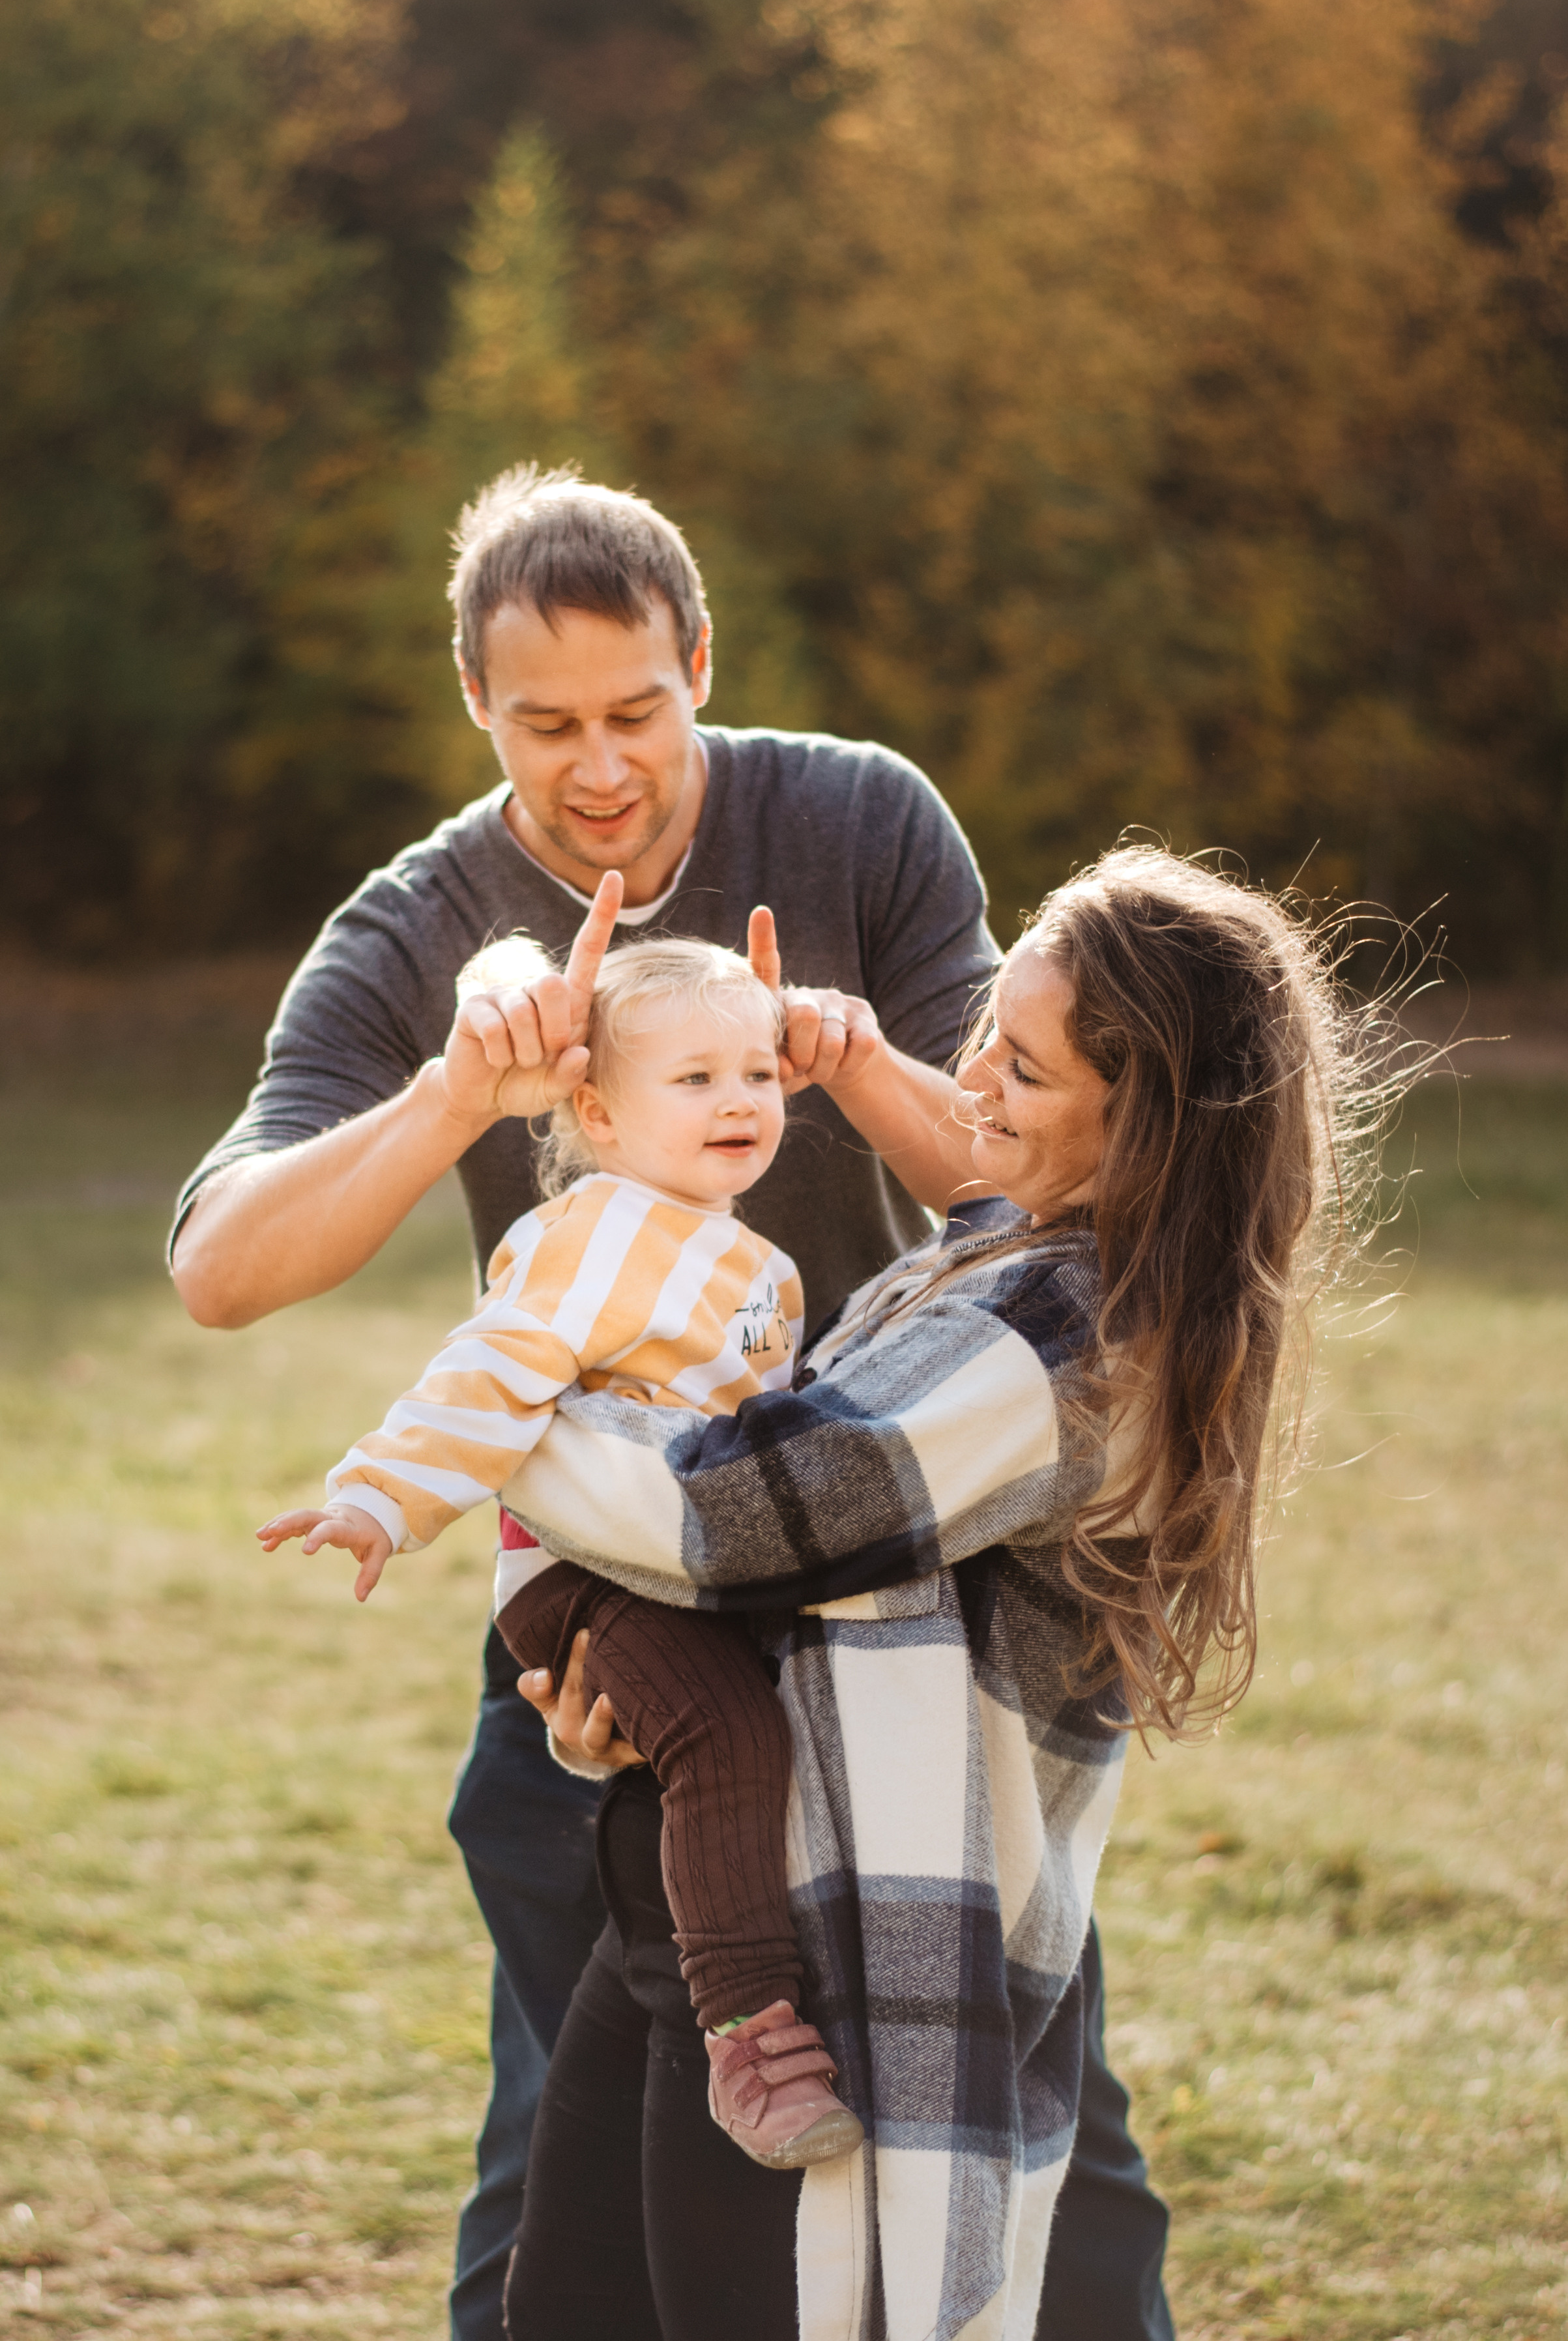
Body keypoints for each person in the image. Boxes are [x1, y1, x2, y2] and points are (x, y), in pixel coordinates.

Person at [169, 464, 1174, 2339]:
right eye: (545, 723)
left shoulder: (859, 817)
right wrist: (457, 1096)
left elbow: (1034, 1167)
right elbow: (220, 1267)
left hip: (888, 1589)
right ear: (474, 699)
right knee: (559, 2144)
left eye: (636, 710)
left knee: (1048, 2124)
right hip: (617, 1603)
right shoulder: (421, 918)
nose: (601, 765)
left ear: (700, 661)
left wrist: (848, 1063)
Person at [500, 842, 1369, 2341]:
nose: (971, 1080)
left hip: (833, 1977)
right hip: (707, 1922)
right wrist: (632, 1702)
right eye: (987, 1032)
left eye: (1023, 1067)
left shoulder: (1065, 1333)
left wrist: (485, 1407)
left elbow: (722, 1515)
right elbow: (774, 1593)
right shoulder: (996, 1251)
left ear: (1147, 1115)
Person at [255, 933, 864, 2167]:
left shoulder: (758, 1262)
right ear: (598, 1114)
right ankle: (748, 2034)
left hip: (690, 1561)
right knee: (729, 1738)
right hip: (587, 1570)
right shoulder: (595, 1232)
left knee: (782, 1738)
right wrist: (381, 1497)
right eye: (694, 1079)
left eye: (756, 1073)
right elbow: (489, 1370)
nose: (739, 1100)